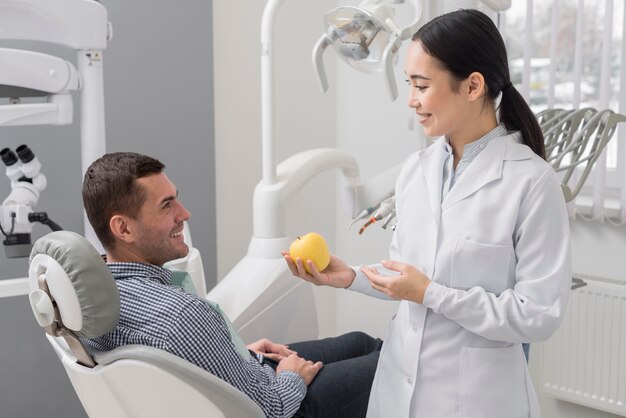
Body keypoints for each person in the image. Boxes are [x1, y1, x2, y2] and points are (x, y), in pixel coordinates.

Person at [284, 9, 571, 418]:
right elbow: (409, 275)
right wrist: (347, 277)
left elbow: (537, 315)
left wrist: (432, 295)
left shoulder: (532, 183)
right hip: (399, 388)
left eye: (422, 85)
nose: (412, 101)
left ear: (473, 86)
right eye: (409, 85)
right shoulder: (417, 170)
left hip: (478, 399)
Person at [81, 151, 382, 418]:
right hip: (279, 407)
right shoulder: (182, 315)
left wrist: (236, 352)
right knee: (395, 363)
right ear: (123, 228)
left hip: (232, 387)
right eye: (166, 206)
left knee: (362, 342)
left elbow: (172, 369)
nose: (184, 214)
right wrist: (292, 377)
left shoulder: (92, 301)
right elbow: (271, 409)